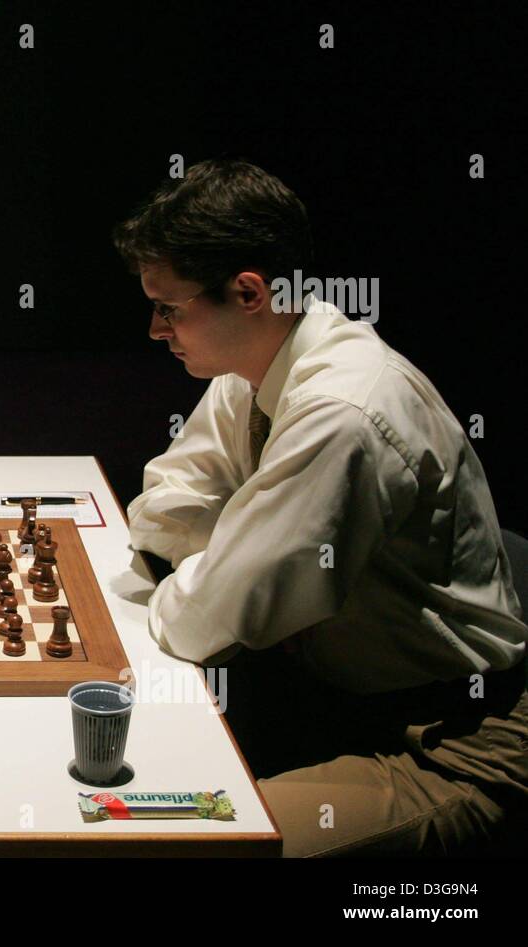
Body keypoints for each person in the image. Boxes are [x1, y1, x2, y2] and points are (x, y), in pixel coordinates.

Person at [113, 158, 528, 856]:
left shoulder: (342, 410)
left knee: (174, 845)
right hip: (325, 701)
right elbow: (167, 508)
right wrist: (227, 564)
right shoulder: (262, 362)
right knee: (130, 797)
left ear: (248, 291)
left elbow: (213, 613)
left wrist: (223, 572)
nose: (156, 329)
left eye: (170, 307)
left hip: (450, 744)